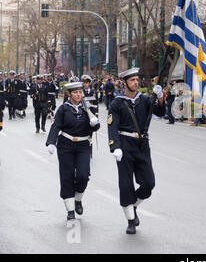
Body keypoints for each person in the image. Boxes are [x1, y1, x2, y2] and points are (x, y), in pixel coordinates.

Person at [107, 68, 165, 235]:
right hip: (124, 145)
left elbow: (160, 112)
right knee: (126, 184)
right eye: (131, 80)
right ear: (124, 83)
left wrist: (160, 97)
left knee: (149, 183)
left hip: (142, 146)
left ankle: (133, 205)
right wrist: (114, 146)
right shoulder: (117, 103)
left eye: (136, 80)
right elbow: (112, 127)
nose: (135, 82)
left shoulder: (145, 100)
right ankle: (131, 220)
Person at [45, 82, 100, 220]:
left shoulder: (86, 108)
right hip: (66, 145)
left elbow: (94, 126)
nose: (78, 95)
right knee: (67, 176)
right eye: (75, 92)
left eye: (80, 92)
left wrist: (95, 124)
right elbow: (56, 125)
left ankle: (78, 199)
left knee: (83, 175)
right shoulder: (64, 109)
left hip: (83, 146)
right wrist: (51, 142)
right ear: (69, 94)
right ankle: (70, 209)